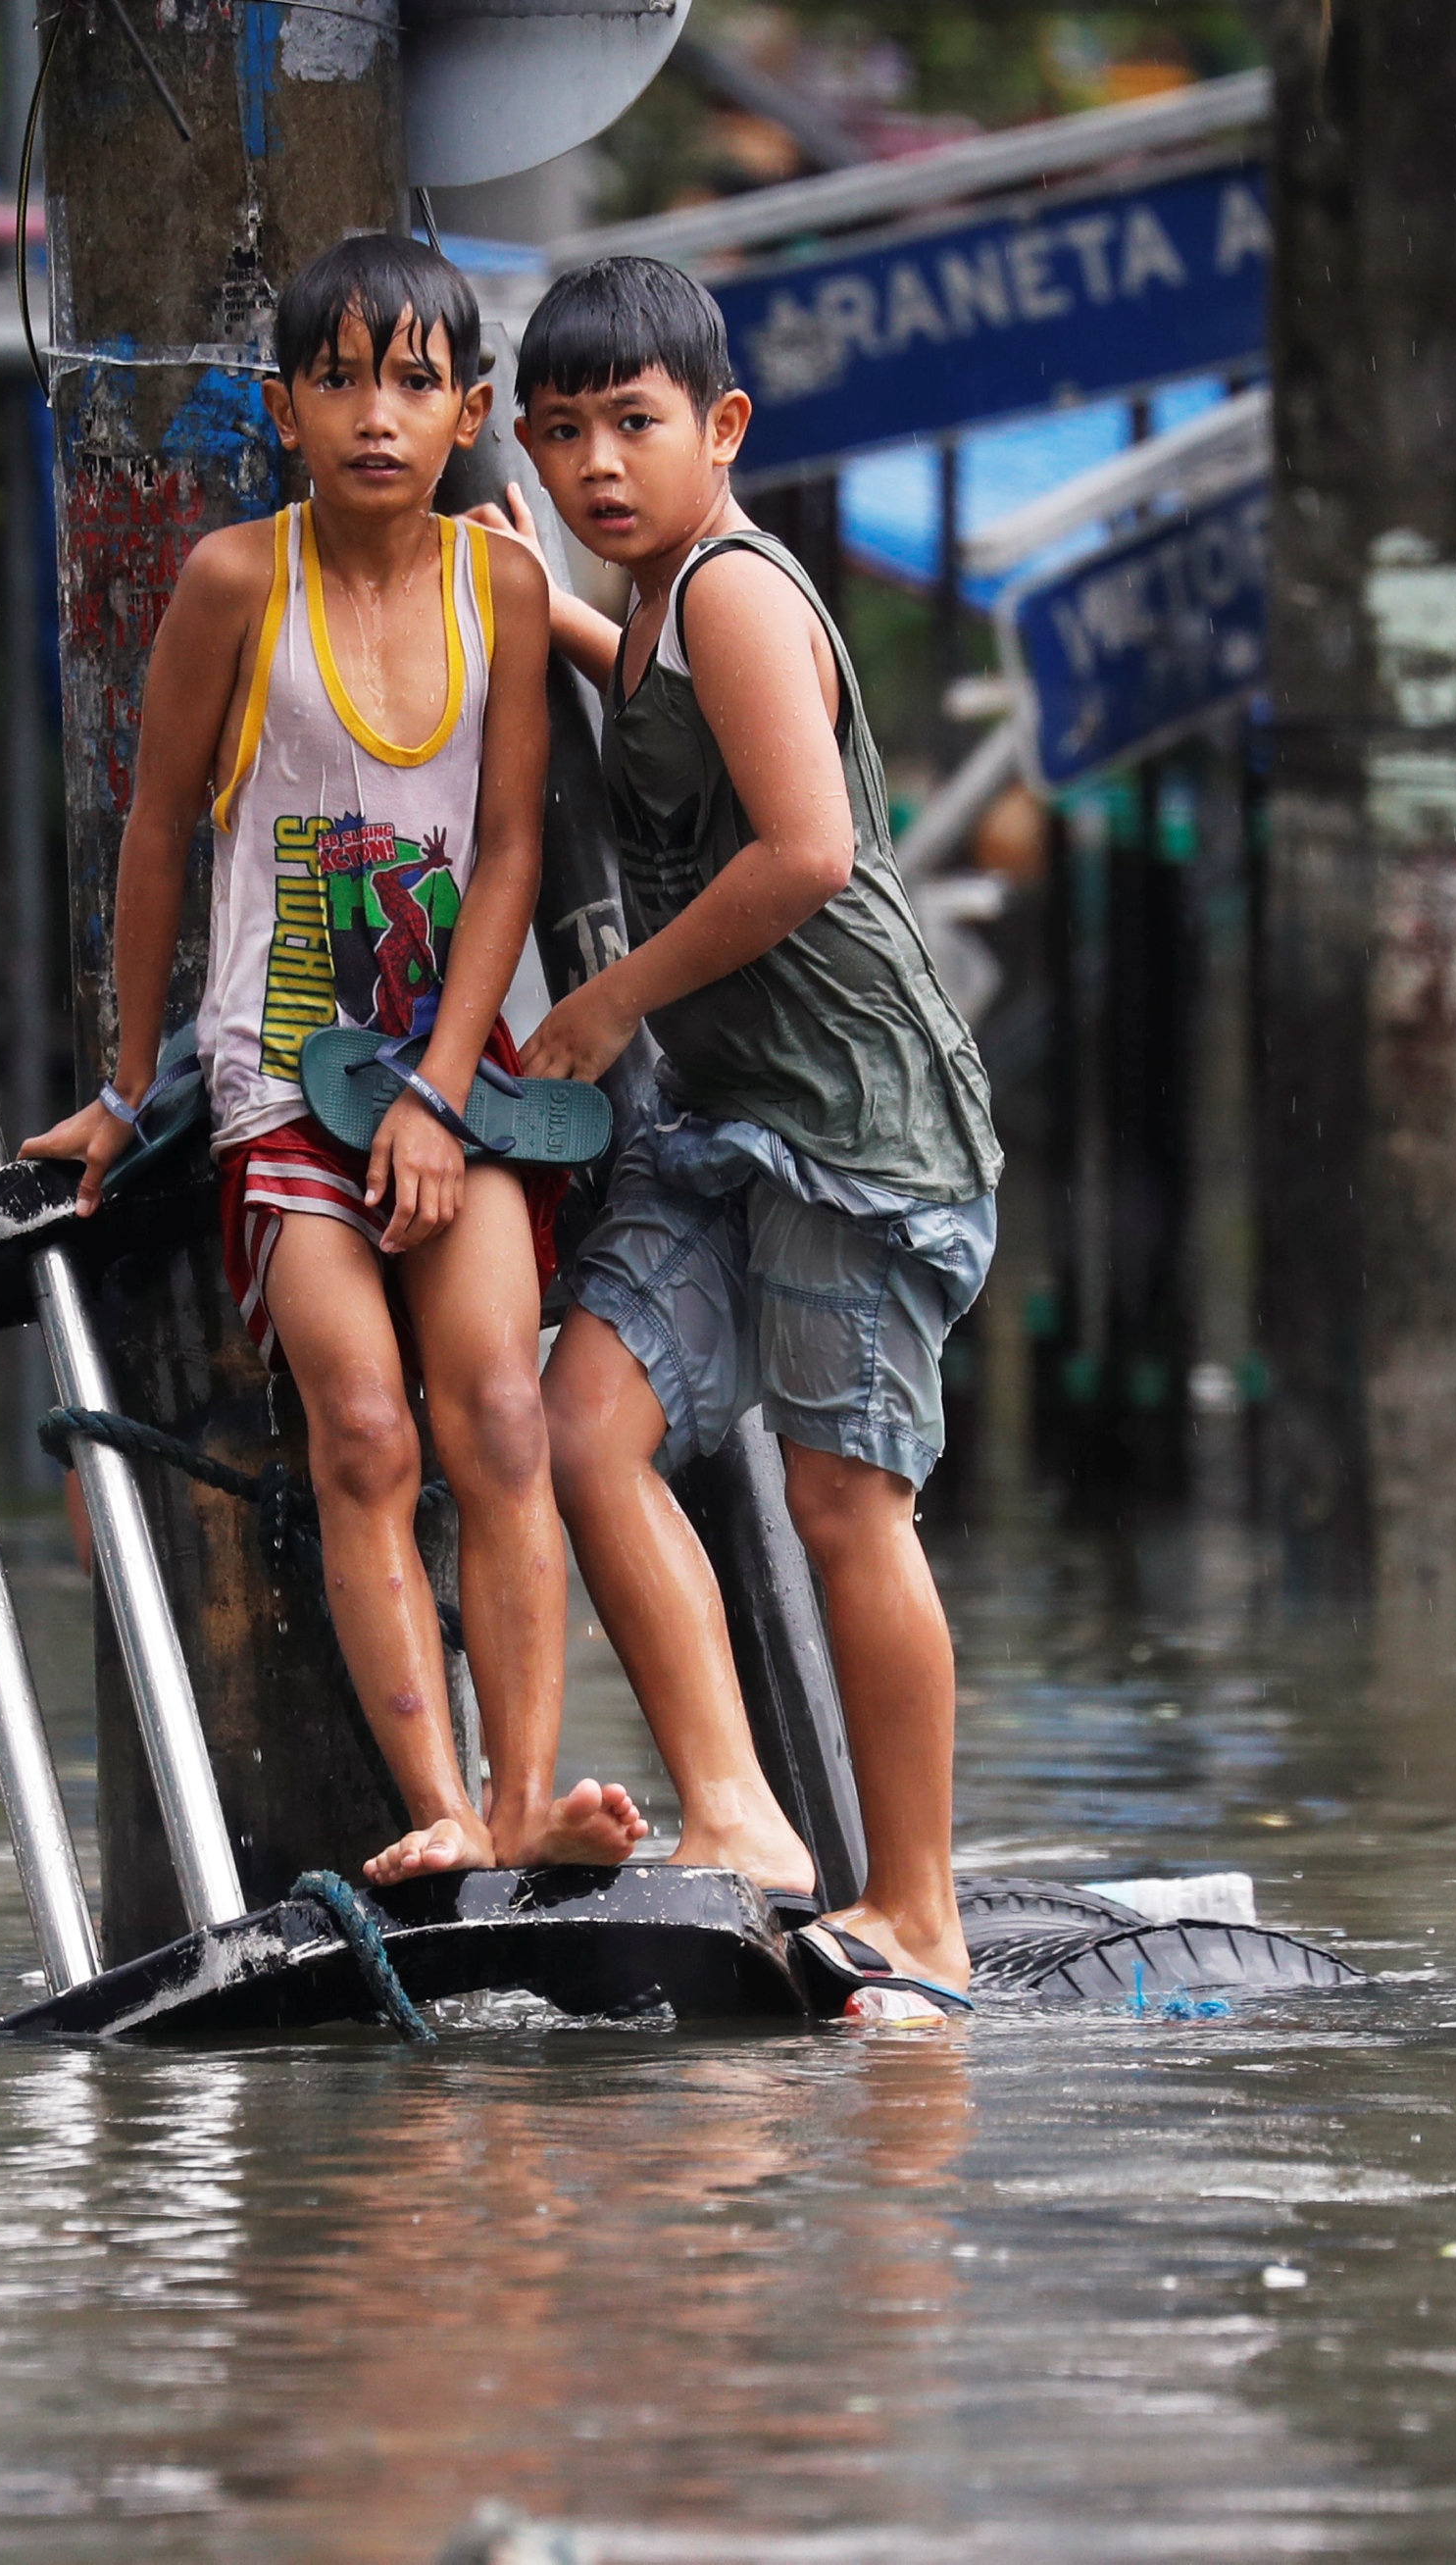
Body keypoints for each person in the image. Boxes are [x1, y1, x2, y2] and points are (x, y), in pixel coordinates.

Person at [24, 232, 642, 1887]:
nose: (378, 415)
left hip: (466, 1077)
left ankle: (526, 1805)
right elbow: (157, 833)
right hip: (283, 1082)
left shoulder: (501, 584)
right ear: (287, 404)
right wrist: (121, 1074)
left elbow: (510, 845)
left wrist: (444, 1093)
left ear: (469, 414)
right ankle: (439, 1805)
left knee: (498, 1418)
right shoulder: (237, 579)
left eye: (416, 384)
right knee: (363, 1428)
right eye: (342, 379)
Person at [488, 255, 1003, 2017]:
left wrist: (612, 995)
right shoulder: (640, 612)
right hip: (729, 1128)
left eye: (633, 425)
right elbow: (620, 676)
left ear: (721, 431)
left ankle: (919, 1904)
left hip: (858, 1121)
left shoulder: (732, 597)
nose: (596, 468)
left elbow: (808, 855)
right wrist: (506, 577)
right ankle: (741, 1813)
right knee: (583, 1424)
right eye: (561, 437)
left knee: (848, 1500)